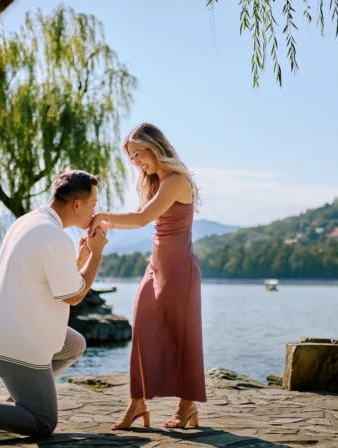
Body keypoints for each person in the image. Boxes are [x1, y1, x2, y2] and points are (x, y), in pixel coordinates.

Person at [0, 171, 108, 443]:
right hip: (20, 340)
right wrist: (95, 254)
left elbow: (53, 279)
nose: (95, 211)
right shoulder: (54, 235)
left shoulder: (29, 221)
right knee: (43, 423)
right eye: (94, 204)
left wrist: (80, 258)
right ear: (77, 205)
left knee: (74, 344)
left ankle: (19, 397)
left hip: (2, 329)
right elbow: (74, 296)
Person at [90, 123, 206, 430]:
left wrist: (103, 217)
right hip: (156, 267)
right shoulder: (156, 182)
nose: (136, 162)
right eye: (131, 158)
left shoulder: (176, 180)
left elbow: (142, 219)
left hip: (180, 270)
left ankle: (187, 405)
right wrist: (104, 226)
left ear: (154, 148)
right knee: (142, 328)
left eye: (138, 154)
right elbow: (141, 219)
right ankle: (138, 402)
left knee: (182, 336)